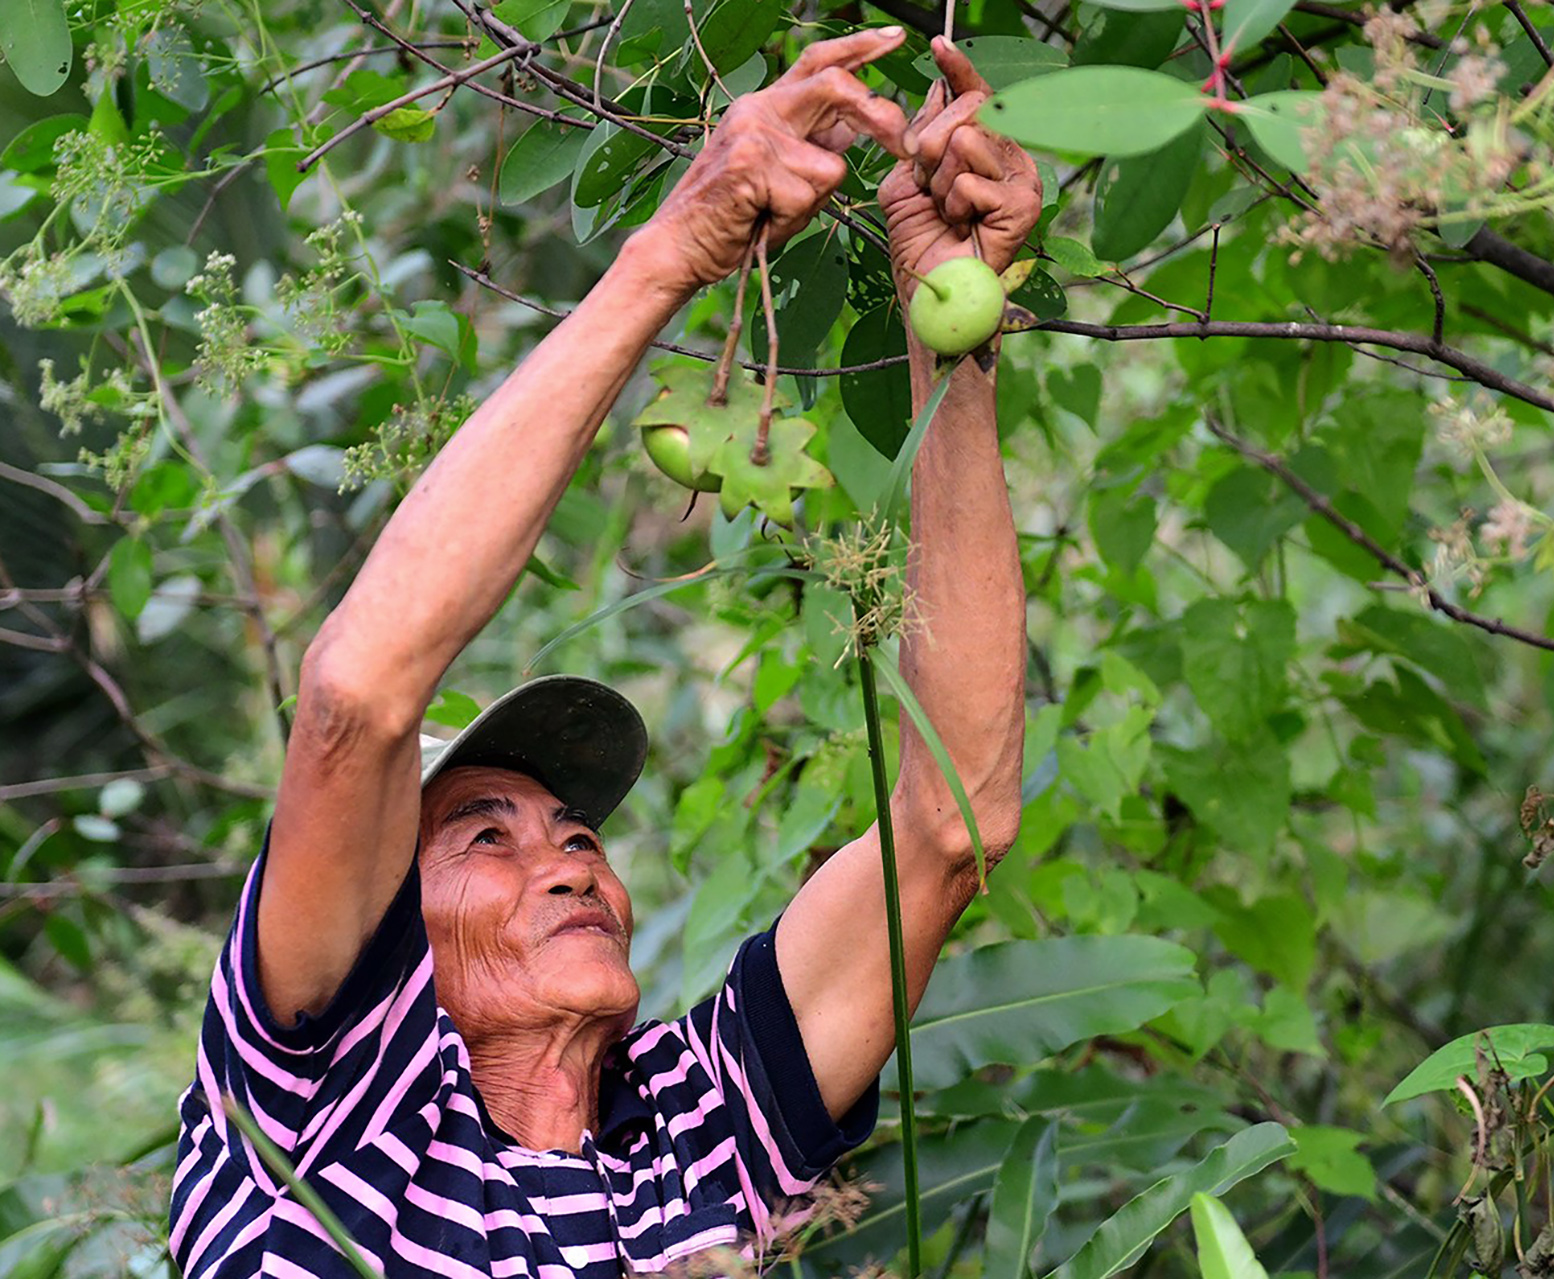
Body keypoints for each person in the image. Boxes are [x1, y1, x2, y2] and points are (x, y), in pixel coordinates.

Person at [167, 29, 1038, 1278]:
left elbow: (951, 826)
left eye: (577, 836)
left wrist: (955, 335)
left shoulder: (694, 1124)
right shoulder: (314, 1097)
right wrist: (675, 250)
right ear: (382, 926)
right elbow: (358, 698)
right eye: (484, 835)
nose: (570, 863)